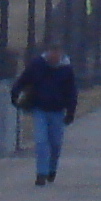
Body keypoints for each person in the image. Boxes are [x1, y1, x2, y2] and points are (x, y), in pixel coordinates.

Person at [10, 42, 78, 187]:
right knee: (41, 141)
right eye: (51, 53)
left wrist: (71, 111)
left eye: (56, 54)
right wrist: (15, 93)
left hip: (57, 110)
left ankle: (51, 169)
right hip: (39, 108)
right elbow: (23, 80)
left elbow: (71, 92)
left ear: (60, 54)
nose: (53, 57)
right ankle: (41, 173)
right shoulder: (37, 65)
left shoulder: (66, 69)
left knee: (55, 143)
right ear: (46, 53)